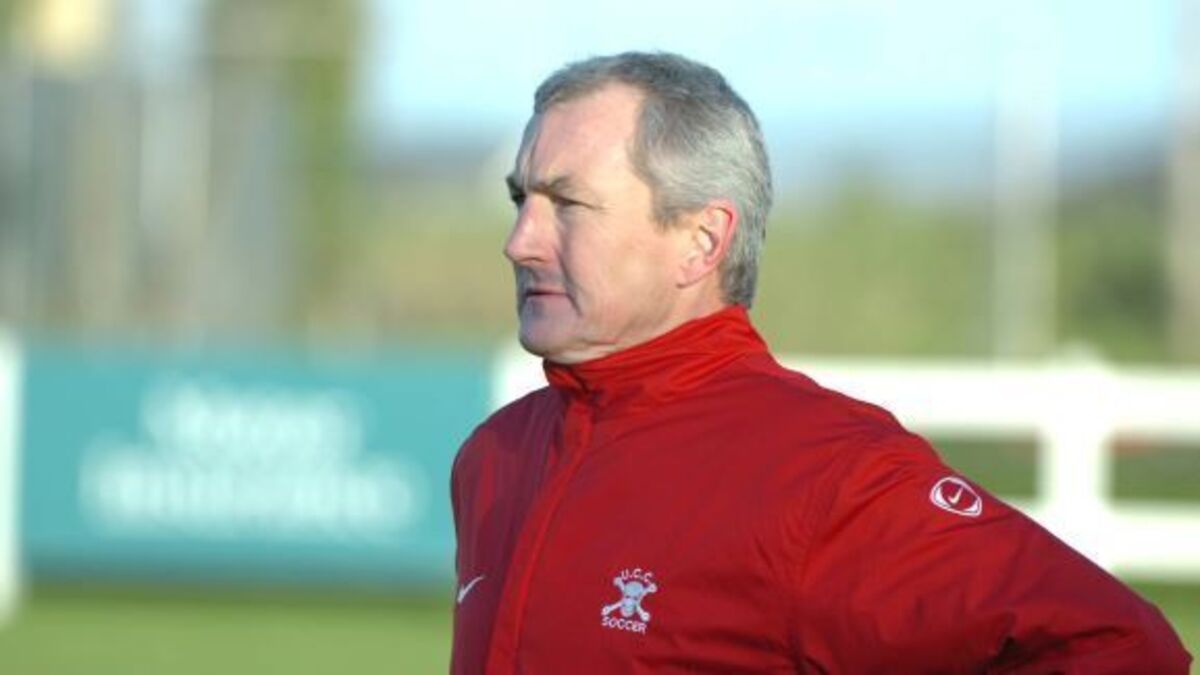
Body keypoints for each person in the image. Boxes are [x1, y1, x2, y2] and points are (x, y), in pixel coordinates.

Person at [449, 51, 1191, 674]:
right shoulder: (497, 454)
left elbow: (1119, 647)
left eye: (567, 205)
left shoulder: (824, 474)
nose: (520, 241)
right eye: (521, 200)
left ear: (702, 241)